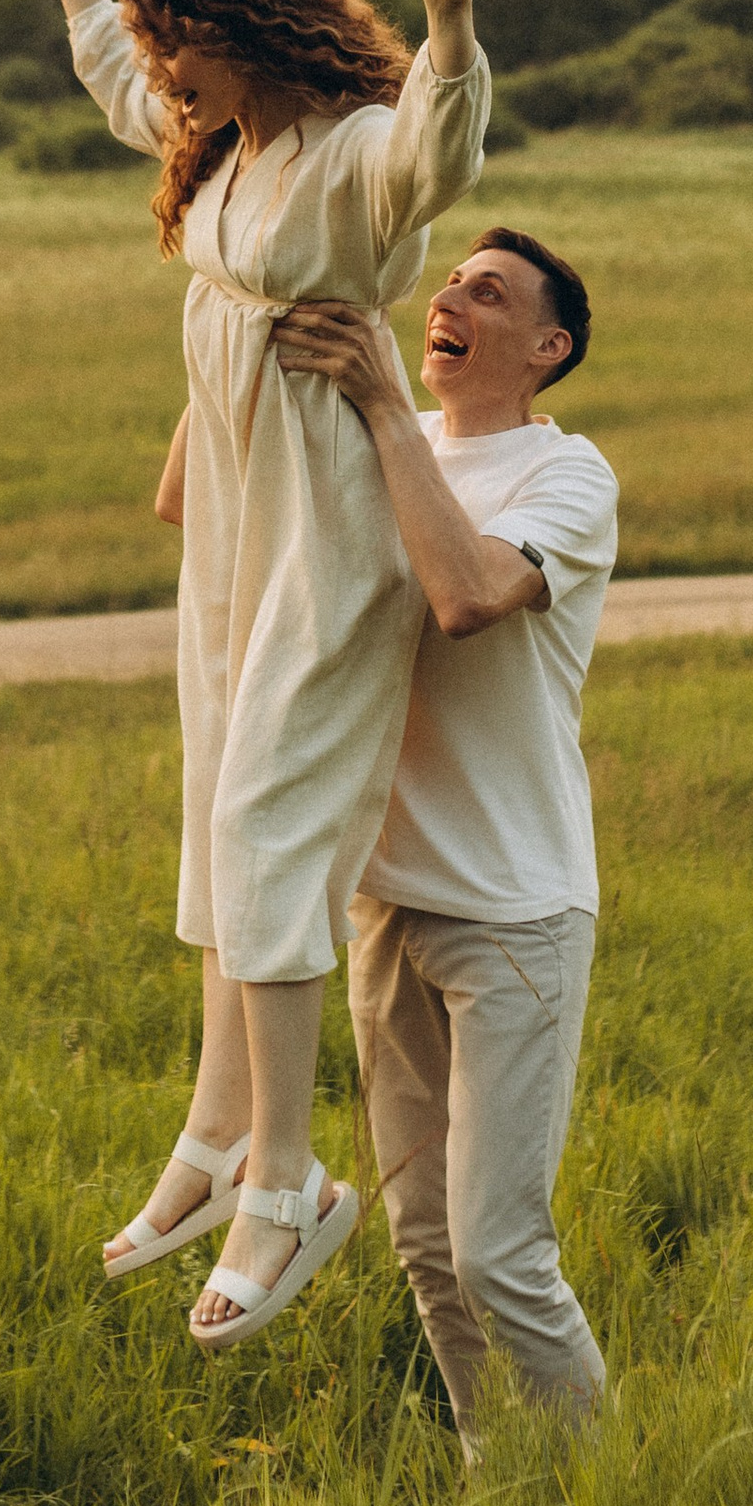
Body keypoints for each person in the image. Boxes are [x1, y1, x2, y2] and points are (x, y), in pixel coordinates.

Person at [15, 0, 496, 1350]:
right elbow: (107, 73)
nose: (164, 82)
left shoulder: (353, 153)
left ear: (243, 35)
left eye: (181, 53)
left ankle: (293, 1190)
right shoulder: (224, 147)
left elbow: (439, 150)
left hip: (335, 510)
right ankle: (219, 1139)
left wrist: (448, 12)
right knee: (219, 794)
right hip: (237, 513)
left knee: (266, 816)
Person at [271, 226, 614, 1439]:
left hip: (514, 912)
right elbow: (180, 504)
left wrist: (377, 409)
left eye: (490, 291)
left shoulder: (567, 479)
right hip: (384, 905)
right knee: (425, 1249)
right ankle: (500, 1495)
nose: (451, 299)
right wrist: (244, 305)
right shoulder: (384, 442)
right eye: (450, 281)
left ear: (544, 346)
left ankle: (607, 1501)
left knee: (500, 1256)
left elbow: (466, 597)